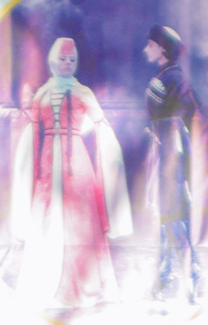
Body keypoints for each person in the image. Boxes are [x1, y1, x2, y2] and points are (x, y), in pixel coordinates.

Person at [11, 37, 133, 308]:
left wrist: (110, 160)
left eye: (72, 60)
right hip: (46, 164)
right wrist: (27, 166)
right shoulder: (42, 94)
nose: (67, 64)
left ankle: (83, 288)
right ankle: (47, 286)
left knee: (80, 219)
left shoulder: (82, 92)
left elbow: (99, 123)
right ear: (53, 61)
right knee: (47, 215)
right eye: (63, 59)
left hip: (76, 164)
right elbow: (32, 131)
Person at [143, 25, 201, 303]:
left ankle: (191, 276)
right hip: (168, 146)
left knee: (171, 215)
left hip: (171, 149)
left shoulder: (171, 78)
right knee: (167, 216)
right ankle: (165, 277)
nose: (146, 50)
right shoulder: (167, 76)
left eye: (150, 45)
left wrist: (162, 134)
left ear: (162, 48)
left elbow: (175, 116)